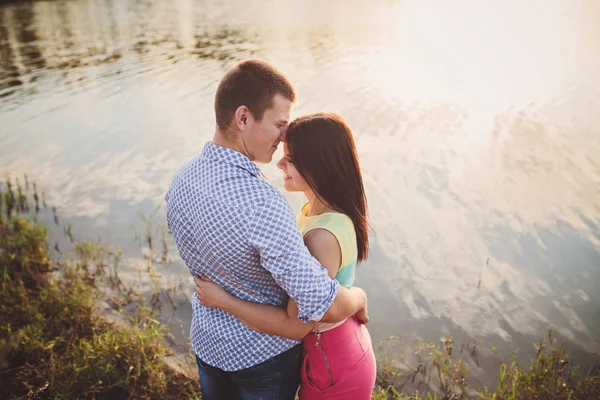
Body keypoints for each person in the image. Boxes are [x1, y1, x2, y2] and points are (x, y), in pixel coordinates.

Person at [165, 60, 369, 400]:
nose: (284, 137)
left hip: (207, 342)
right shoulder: (262, 203)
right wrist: (360, 297)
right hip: (261, 360)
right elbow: (319, 303)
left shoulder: (182, 178)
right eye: (279, 124)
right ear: (243, 118)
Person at [194, 112, 377, 399]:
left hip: (332, 361)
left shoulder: (321, 237)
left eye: (290, 158)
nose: (279, 162)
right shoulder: (317, 214)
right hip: (333, 347)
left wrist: (223, 301)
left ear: (319, 166)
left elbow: (295, 325)